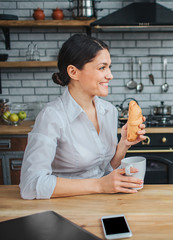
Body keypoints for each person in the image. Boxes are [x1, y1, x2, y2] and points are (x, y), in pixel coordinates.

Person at [20, 34, 146, 199]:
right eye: (102, 68)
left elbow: (102, 171)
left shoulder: (109, 111)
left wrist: (123, 145)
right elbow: (31, 185)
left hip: (102, 203)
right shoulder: (51, 116)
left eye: (109, 67)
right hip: (65, 208)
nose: (110, 75)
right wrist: (99, 185)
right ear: (73, 72)